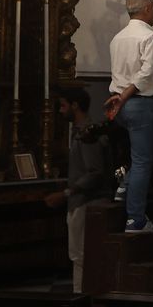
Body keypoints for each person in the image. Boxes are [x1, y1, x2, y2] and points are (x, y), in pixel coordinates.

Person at [105, 0, 153, 234]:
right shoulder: (150, 37)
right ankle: (136, 220)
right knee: (143, 161)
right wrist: (126, 96)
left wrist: (120, 99)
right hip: (138, 103)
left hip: (119, 106)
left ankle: (124, 187)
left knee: (138, 155)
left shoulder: (117, 38)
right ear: (147, 9)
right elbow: (146, 71)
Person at [45, 89, 112, 293]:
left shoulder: (87, 134)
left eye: (63, 105)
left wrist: (66, 193)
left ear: (75, 105)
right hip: (80, 202)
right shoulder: (80, 132)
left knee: (82, 256)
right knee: (78, 256)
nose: (60, 110)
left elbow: (94, 172)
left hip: (85, 202)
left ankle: (82, 300)